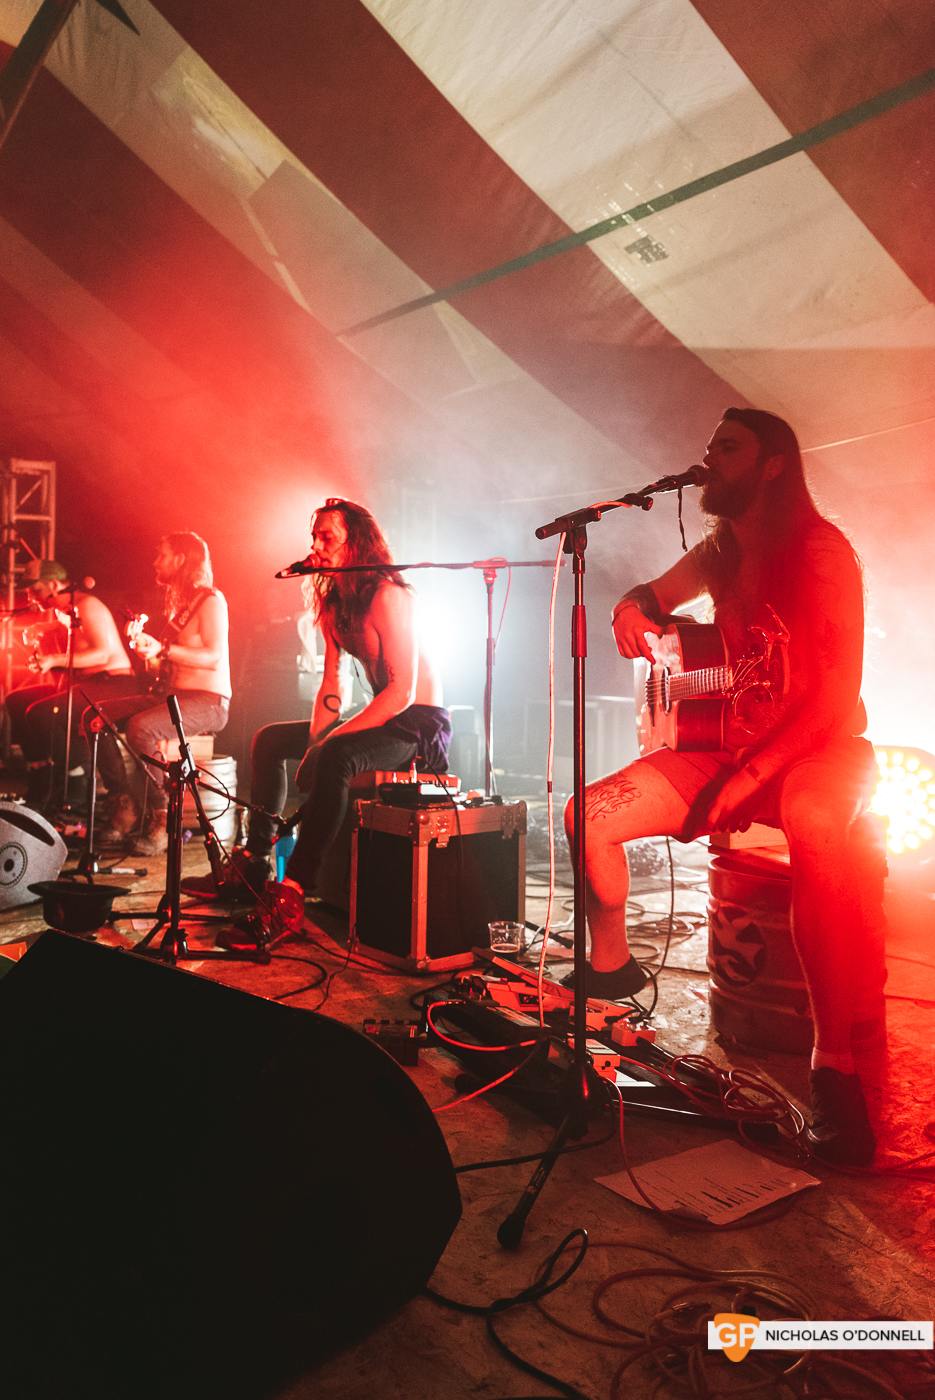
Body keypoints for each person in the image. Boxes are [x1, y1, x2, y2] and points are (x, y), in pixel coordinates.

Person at [569, 408, 882, 1167]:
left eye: (727, 447)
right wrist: (628, 607)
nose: (708, 458)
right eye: (708, 445)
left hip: (818, 750)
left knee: (809, 818)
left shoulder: (819, 550)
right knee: (589, 816)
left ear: (772, 464)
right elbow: (653, 592)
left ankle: (833, 1070)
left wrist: (750, 779)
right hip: (725, 749)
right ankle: (609, 987)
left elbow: (836, 695)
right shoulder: (718, 549)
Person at [217, 497, 450, 951]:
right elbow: (333, 682)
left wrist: (327, 745)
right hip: (387, 715)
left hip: (419, 725)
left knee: (339, 754)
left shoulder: (389, 595)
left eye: (328, 538)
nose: (315, 546)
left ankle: (292, 896)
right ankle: (255, 857)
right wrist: (314, 740)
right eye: (314, 536)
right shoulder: (334, 600)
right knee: (269, 739)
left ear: (355, 545)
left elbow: (402, 693)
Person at [88, 532, 231, 855]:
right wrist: (149, 655)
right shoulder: (176, 605)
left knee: (141, 727)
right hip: (174, 695)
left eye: (162, 555)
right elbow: (167, 664)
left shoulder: (211, 600)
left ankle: (162, 816)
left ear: (181, 559)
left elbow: (213, 656)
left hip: (209, 701)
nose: (156, 562)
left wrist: (163, 648)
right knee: (94, 715)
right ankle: (123, 805)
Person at [5, 560, 140, 812]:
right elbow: (65, 626)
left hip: (114, 682)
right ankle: (42, 772)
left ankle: (76, 776)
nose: (29, 595)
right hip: (88, 682)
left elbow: (101, 654)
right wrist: (40, 628)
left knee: (45, 712)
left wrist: (53, 659)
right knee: (17, 700)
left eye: (34, 589)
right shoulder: (63, 610)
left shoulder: (87, 605)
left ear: (55, 585)